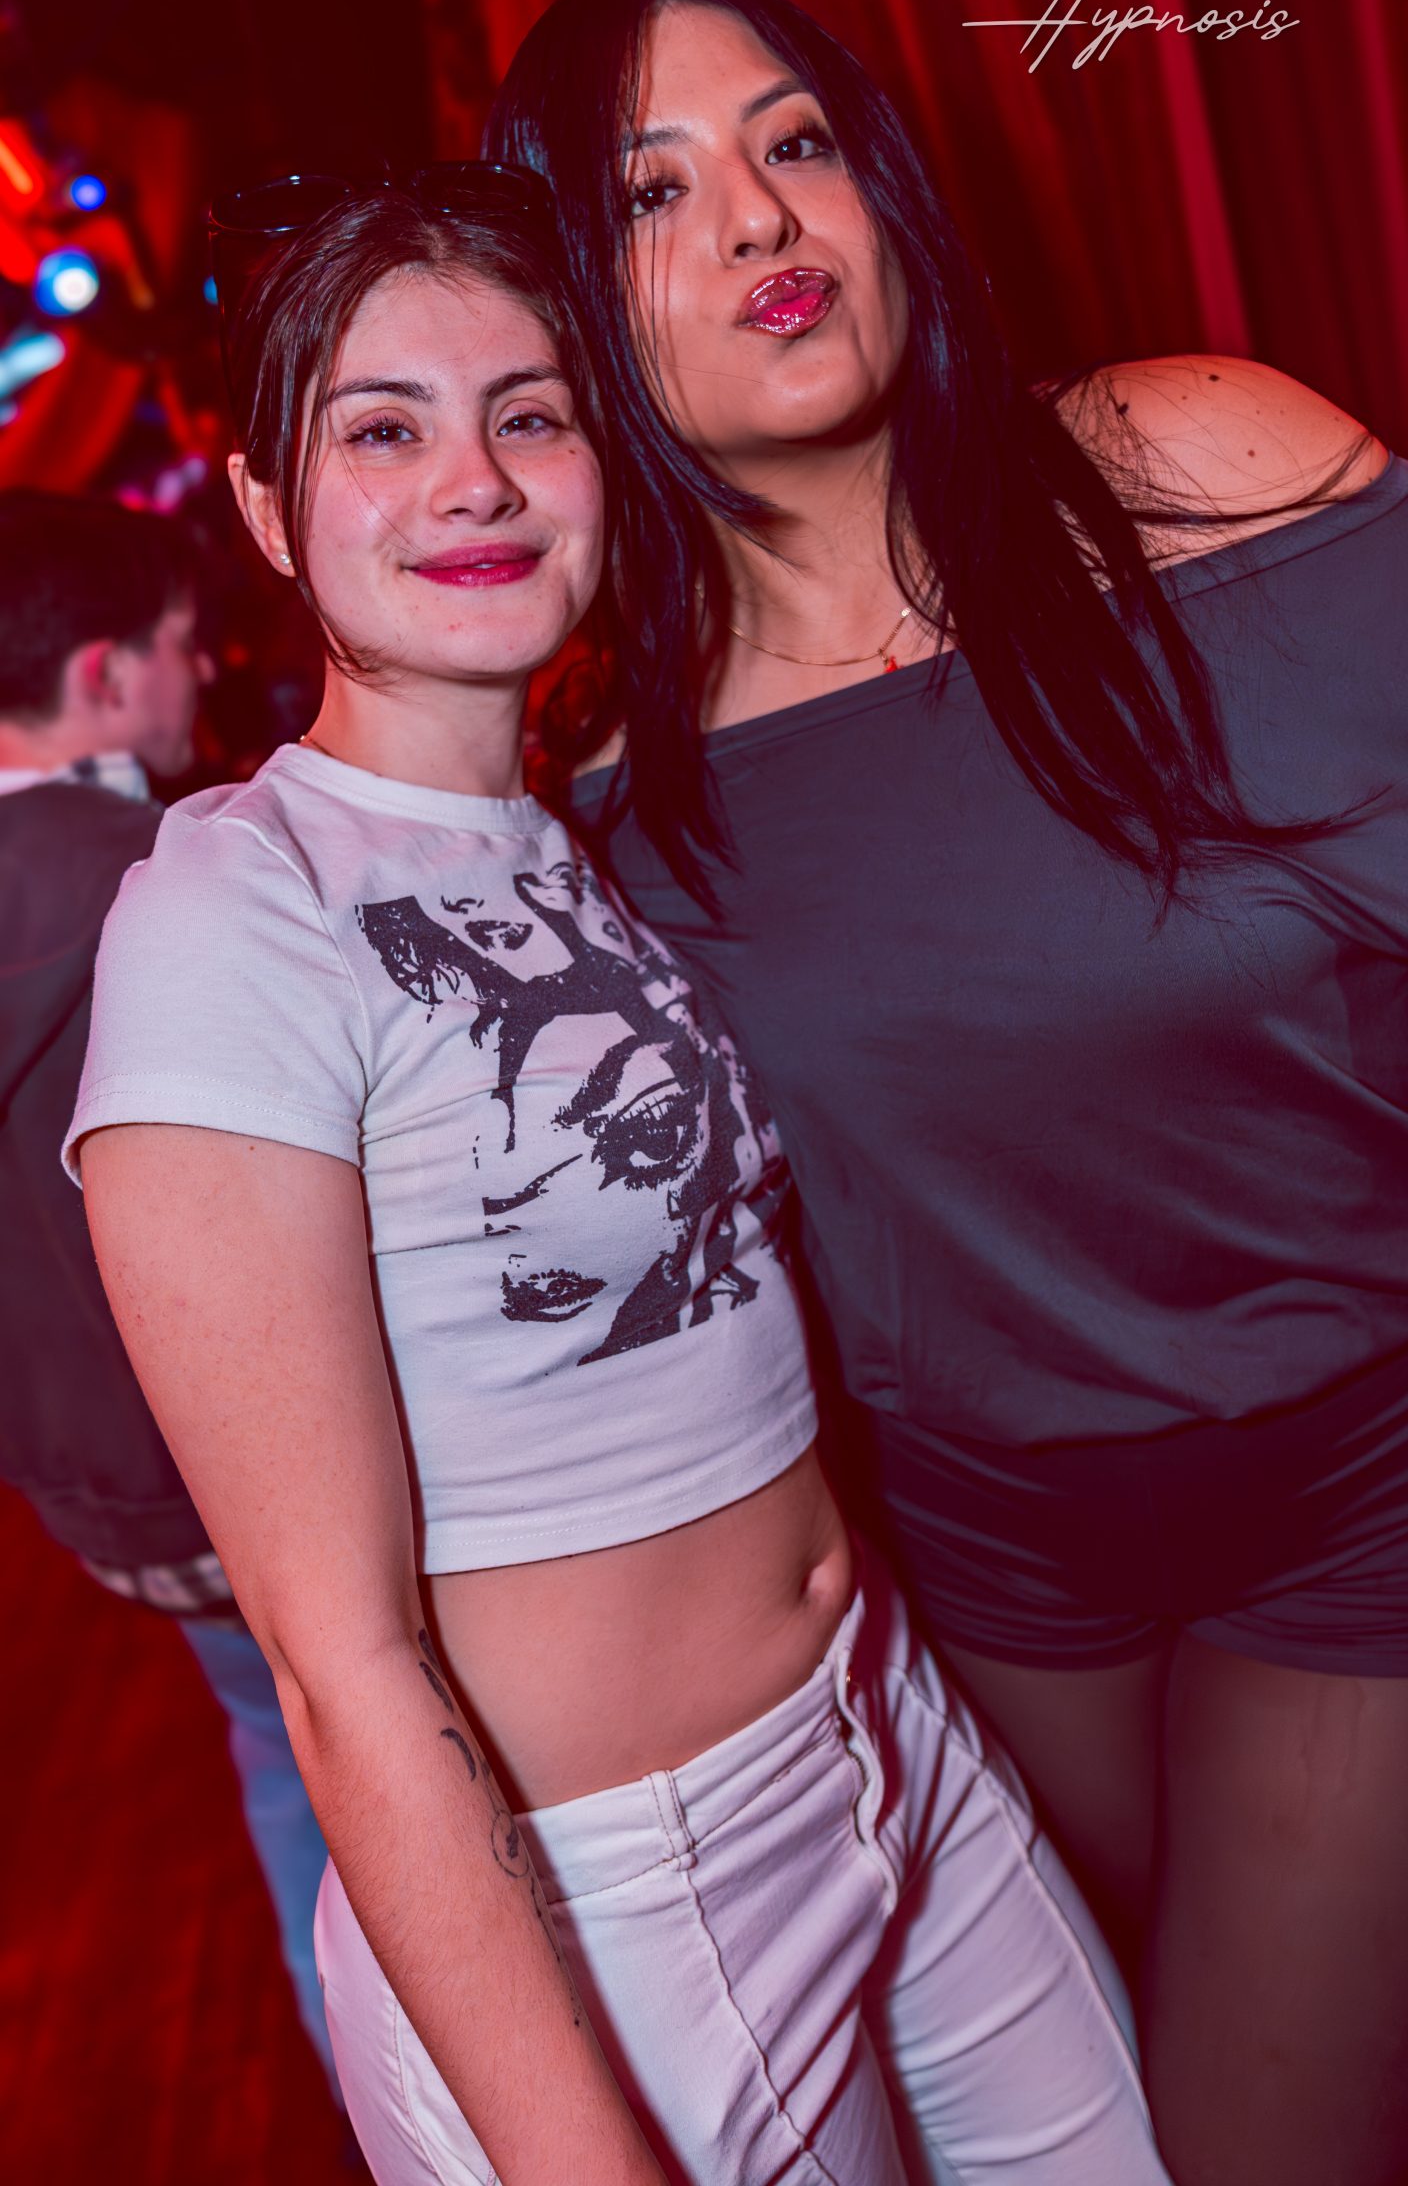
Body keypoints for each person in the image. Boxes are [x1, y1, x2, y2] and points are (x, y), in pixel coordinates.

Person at [68, 171, 1165, 2186]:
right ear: (264, 510)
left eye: (532, 413)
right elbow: (336, 1664)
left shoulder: (576, 835)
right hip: (621, 1894)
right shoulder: (237, 908)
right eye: (383, 428)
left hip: (886, 1729)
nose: (473, 481)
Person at [485, 0, 1408, 2186]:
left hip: (1365, 1477)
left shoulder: (1201, 475)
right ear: (574, 316)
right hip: (986, 1560)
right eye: (653, 190)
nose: (757, 213)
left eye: (796, 142)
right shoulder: (599, 787)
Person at [0, 488, 341, 2096]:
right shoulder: (169, 875)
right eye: (180, 645)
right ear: (101, 672)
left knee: (281, 1761)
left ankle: (363, 2098)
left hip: (96, 1508)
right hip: (260, 1474)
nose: (200, 672)